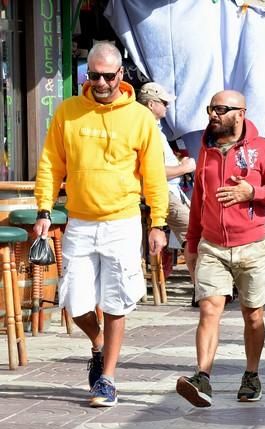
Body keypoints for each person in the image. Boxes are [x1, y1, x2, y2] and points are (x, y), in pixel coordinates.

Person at [33, 42, 169, 407]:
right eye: (94, 75)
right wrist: (44, 211)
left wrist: (158, 222)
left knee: (115, 302)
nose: (102, 82)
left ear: (121, 75)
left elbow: (154, 174)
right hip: (79, 220)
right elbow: (50, 165)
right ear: (86, 75)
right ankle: (98, 344)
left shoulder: (140, 117)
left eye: (109, 76)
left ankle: (107, 379)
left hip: (122, 221)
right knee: (74, 302)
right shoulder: (68, 112)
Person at [177, 90, 265, 406]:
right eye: (211, 109)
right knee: (209, 309)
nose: (213, 115)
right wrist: (192, 243)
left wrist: (252, 192)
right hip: (212, 246)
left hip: (252, 246)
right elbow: (199, 202)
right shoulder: (206, 151)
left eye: (220, 109)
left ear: (240, 113)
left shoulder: (262, 149)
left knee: (253, 315)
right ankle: (202, 377)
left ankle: (252, 375)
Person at [137, 82, 196, 282]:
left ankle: (202, 288)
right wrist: (184, 168)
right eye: (164, 102)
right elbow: (153, 172)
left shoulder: (151, 127)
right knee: (194, 235)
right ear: (151, 104)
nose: (167, 107)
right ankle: (201, 289)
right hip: (163, 191)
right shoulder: (147, 129)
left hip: (167, 190)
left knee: (195, 234)